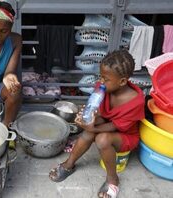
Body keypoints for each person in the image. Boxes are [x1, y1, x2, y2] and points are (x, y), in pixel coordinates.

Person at [49, 50, 145, 198]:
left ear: (122, 81)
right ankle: (69, 164)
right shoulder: (102, 88)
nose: (101, 81)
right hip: (108, 125)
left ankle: (113, 179)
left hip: (126, 135)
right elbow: (99, 112)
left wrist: (94, 127)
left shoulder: (135, 101)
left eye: (106, 79)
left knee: (102, 139)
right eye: (101, 76)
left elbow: (117, 126)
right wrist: (87, 117)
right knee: (88, 132)